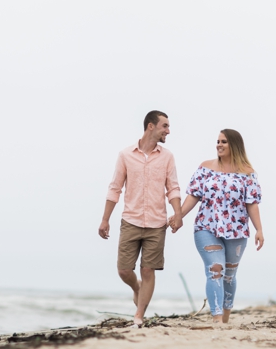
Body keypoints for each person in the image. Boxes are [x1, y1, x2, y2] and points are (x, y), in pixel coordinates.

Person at [168, 129, 264, 324]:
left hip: (236, 231)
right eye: (218, 141)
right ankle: (217, 318)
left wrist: (259, 230)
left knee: (229, 275)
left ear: (234, 145)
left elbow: (251, 203)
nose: (219, 145)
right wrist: (178, 216)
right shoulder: (205, 168)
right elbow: (194, 195)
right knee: (215, 270)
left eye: (224, 142)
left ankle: (226, 317)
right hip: (206, 227)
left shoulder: (247, 173)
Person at [99, 110, 182, 328]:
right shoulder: (126, 155)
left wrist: (178, 213)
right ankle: (137, 289)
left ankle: (139, 315)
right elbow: (114, 188)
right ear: (150, 126)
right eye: (165, 126)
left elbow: (172, 188)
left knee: (148, 269)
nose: (168, 130)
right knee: (124, 270)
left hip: (157, 223)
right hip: (131, 220)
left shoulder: (167, 157)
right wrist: (105, 219)